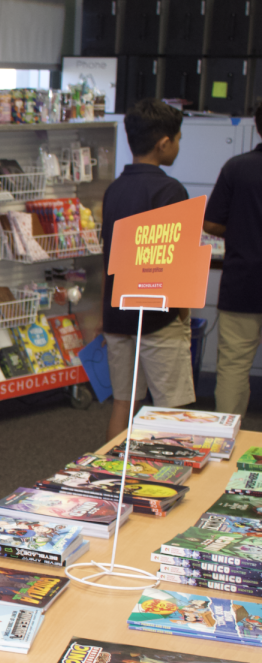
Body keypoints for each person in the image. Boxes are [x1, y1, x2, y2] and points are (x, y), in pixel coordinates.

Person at [100, 99, 195, 441]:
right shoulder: (170, 190)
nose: (179, 146)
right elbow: (177, 263)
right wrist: (182, 314)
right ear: (164, 143)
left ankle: (108, 477)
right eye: (179, 139)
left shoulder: (114, 190)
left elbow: (108, 255)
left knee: (122, 404)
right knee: (172, 410)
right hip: (158, 317)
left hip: (117, 316)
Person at [203, 104, 262, 417]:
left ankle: (226, 441)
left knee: (234, 367)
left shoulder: (236, 167)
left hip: (243, 282)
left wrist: (241, 227)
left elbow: (211, 224)